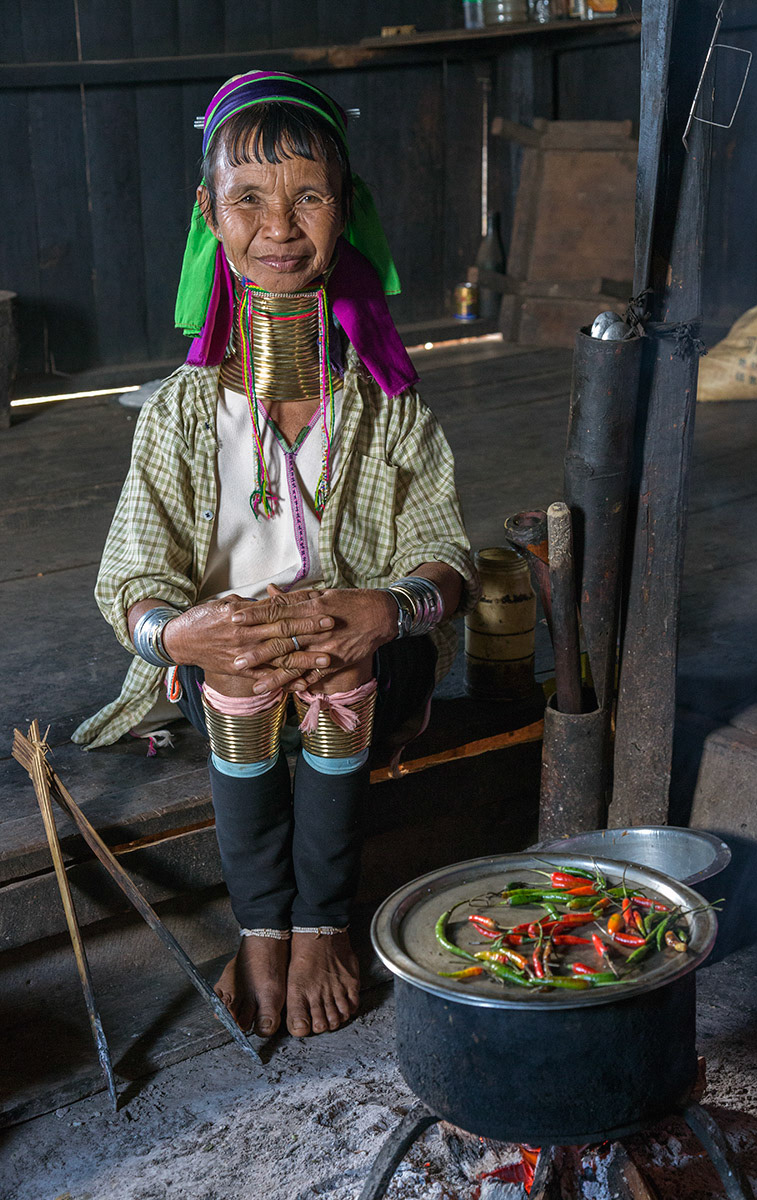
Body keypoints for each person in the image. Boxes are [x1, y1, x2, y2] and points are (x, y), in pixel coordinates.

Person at [74, 71, 477, 1041]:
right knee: (243, 675)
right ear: (208, 213)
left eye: (308, 195)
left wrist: (392, 610)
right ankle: (265, 928)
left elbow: (444, 552)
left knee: (337, 664)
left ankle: (320, 924)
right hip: (232, 669)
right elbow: (129, 579)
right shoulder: (180, 416)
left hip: (360, 659)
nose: (279, 226)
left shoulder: (384, 409)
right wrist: (182, 636)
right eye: (248, 198)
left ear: (346, 213)